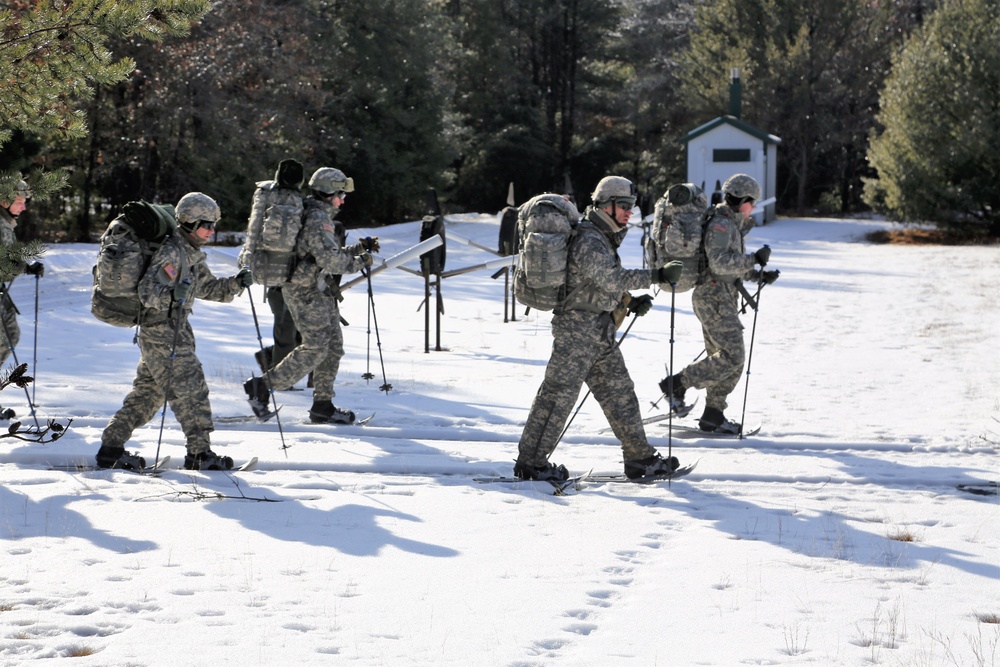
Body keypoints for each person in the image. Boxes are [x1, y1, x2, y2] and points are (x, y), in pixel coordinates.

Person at [513, 176, 685, 482]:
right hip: (577, 332)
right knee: (557, 396)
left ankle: (640, 459)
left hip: (598, 330)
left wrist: (628, 302)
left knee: (620, 394)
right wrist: (656, 275)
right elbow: (609, 277)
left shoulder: (602, 236)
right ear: (607, 205)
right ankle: (530, 463)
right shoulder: (590, 237)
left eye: (633, 206)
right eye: (626, 206)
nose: (631, 212)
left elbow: (594, 283)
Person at [95, 193, 254, 471]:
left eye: (213, 225)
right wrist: (171, 295)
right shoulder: (172, 252)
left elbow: (207, 287)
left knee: (147, 395)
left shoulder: (189, 251)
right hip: (161, 333)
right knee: (192, 390)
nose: (211, 231)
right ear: (190, 222)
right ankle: (199, 454)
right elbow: (148, 293)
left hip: (172, 330)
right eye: (206, 225)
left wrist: (236, 284)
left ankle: (111, 449)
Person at [243, 167, 377, 424]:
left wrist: (359, 249)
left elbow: (323, 254)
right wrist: (362, 261)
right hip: (305, 291)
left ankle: (322, 405)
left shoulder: (316, 215)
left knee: (333, 347)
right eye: (341, 194)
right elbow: (332, 260)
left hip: (319, 289)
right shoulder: (318, 219)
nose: (343, 200)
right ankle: (262, 386)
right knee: (315, 348)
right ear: (329, 193)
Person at [659, 173, 779, 434]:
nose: (754, 208)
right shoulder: (722, 225)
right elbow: (720, 263)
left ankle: (713, 415)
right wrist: (753, 259)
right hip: (712, 297)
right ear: (742, 200)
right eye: (753, 202)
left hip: (720, 295)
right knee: (732, 356)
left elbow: (728, 266)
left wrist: (757, 275)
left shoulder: (732, 224)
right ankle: (677, 384)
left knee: (726, 359)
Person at [0, 177, 44, 419]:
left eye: (25, 201)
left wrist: (26, 267)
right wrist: (23, 268)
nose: (23, 207)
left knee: (10, 336)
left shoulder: (5, 224)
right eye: (19, 201)